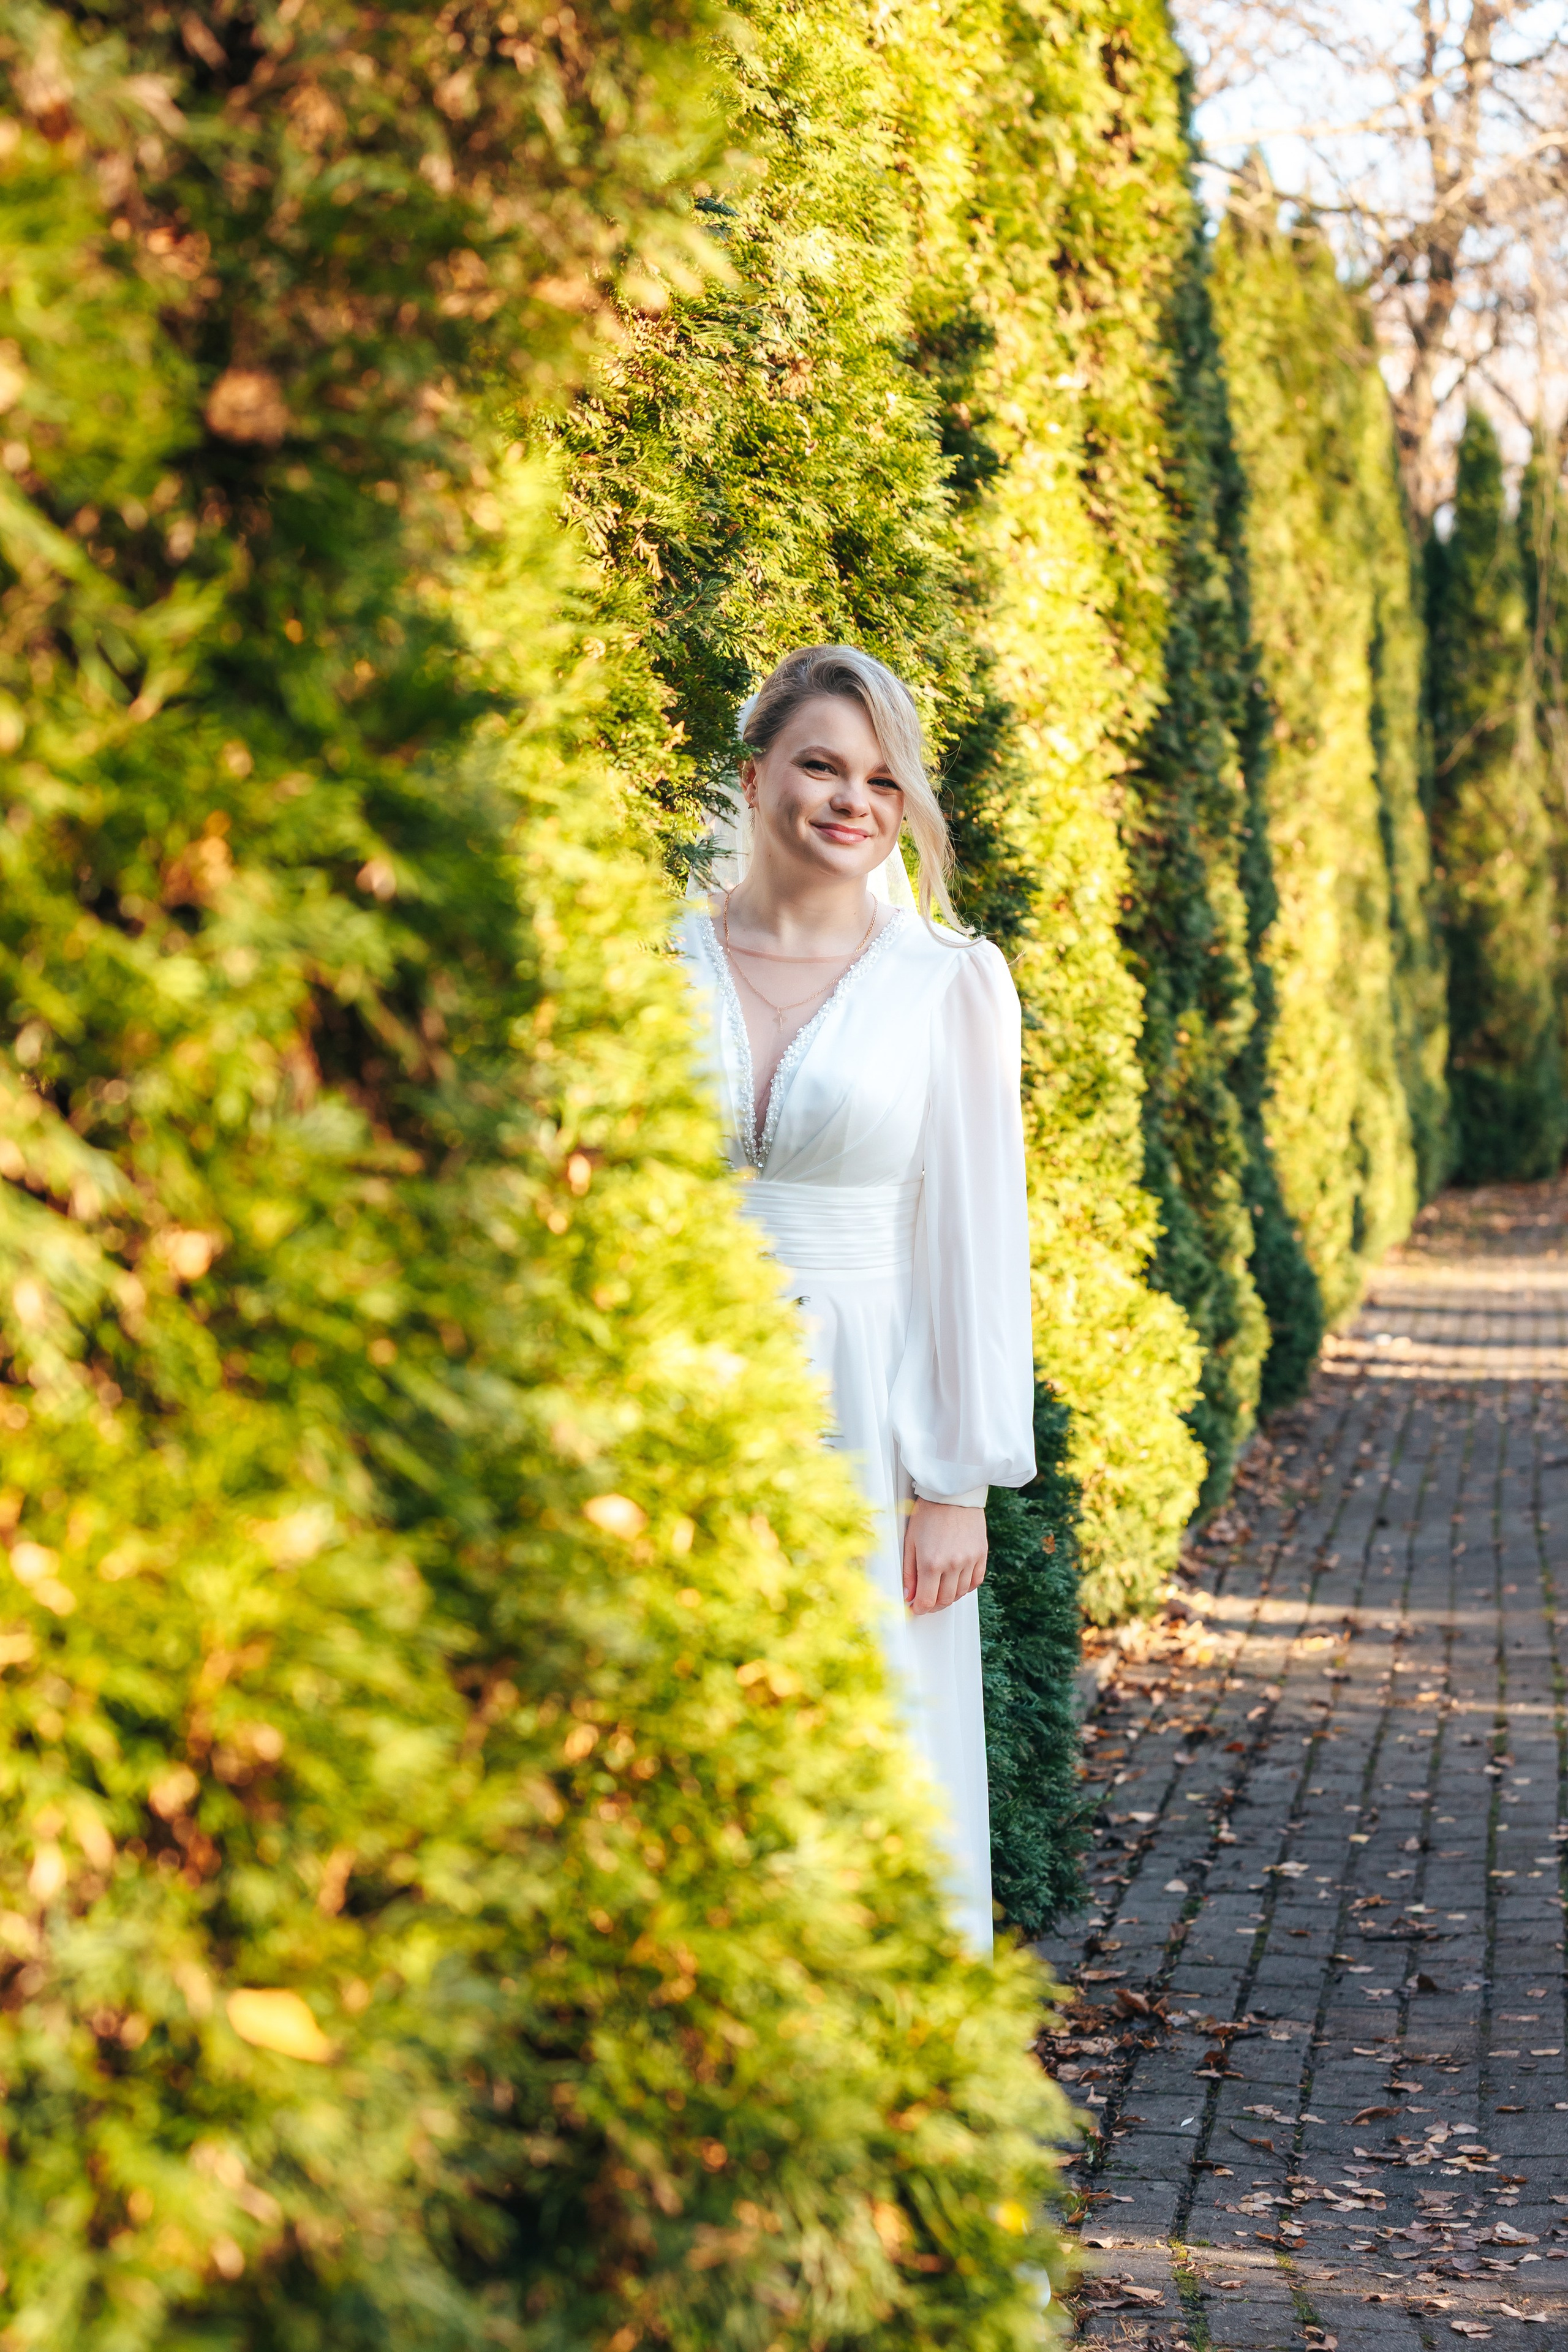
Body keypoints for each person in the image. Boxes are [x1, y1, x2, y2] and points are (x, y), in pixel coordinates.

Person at [677, 644, 1036, 1951]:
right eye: (821, 764)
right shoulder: (654, 959)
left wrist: (954, 1483)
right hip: (673, 1389)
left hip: (864, 1416)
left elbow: (973, 1240)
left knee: (865, 1731)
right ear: (754, 770)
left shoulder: (944, 980)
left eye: (882, 782)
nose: (849, 801)